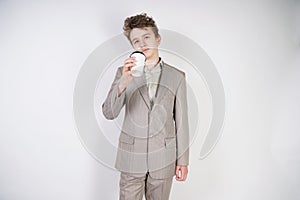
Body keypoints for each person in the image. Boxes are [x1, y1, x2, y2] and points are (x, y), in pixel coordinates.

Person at [102, 13, 189, 200]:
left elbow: (182, 123)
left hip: (164, 159)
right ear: (133, 47)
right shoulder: (123, 73)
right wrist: (123, 82)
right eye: (136, 41)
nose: (142, 44)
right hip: (132, 158)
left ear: (158, 39)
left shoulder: (178, 77)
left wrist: (183, 161)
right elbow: (109, 113)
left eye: (146, 37)